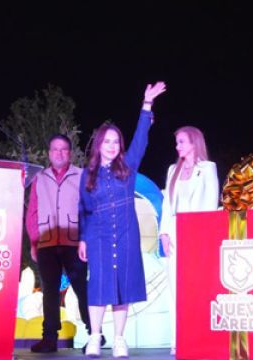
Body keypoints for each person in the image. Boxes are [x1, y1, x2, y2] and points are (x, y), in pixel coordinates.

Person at [79, 81, 167, 358]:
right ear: (99, 144)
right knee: (99, 288)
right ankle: (94, 337)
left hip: (127, 235)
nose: (112, 146)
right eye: (107, 141)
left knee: (122, 288)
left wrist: (147, 105)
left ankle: (119, 339)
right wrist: (82, 239)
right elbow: (83, 209)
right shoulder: (87, 174)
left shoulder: (127, 168)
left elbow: (141, 139)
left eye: (116, 142)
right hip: (98, 236)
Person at [26, 134, 91, 353]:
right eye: (55, 149)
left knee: (82, 289)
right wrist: (34, 241)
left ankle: (94, 333)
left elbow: (88, 209)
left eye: (64, 149)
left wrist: (86, 239)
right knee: (50, 291)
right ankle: (49, 338)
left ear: (70, 153)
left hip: (73, 241)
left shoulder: (81, 176)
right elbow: (32, 211)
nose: (59, 153)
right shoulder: (39, 178)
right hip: (46, 241)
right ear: (49, 153)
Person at [158, 126, 220, 353]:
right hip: (175, 232)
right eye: (177, 142)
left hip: (197, 233)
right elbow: (166, 204)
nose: (178, 146)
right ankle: (178, 339)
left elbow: (211, 203)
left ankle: (199, 336)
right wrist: (164, 233)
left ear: (194, 143)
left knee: (197, 286)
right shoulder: (172, 169)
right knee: (175, 287)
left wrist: (202, 235)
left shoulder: (207, 168)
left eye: (182, 142)